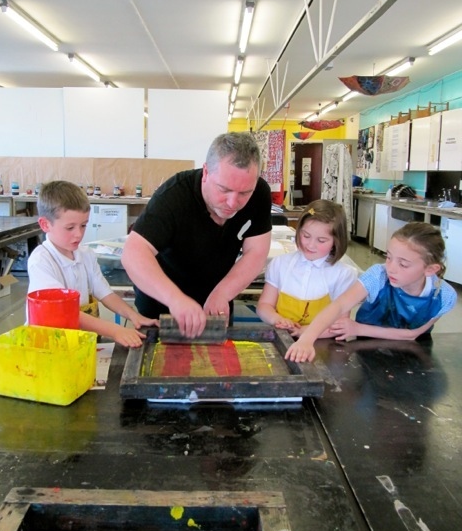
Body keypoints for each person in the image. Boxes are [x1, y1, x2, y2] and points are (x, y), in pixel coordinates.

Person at [121, 132, 272, 338]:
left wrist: (223, 293)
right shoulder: (174, 197)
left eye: (244, 193)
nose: (232, 202)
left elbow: (256, 252)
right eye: (224, 189)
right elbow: (133, 253)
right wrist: (175, 299)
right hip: (162, 304)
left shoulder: (260, 194)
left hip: (216, 303)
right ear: (206, 172)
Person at [286, 221, 457, 363]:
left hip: (411, 354)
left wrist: (358, 328)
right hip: (364, 348)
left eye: (403, 264)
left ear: (431, 269)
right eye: (388, 257)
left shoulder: (444, 297)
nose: (391, 268)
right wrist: (307, 339)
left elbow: (412, 335)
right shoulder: (378, 275)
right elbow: (339, 306)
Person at [27, 180, 158, 347]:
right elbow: (63, 312)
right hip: (50, 345)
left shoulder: (85, 255)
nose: (79, 234)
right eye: (70, 228)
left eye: (83, 225)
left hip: (80, 341)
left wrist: (134, 316)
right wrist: (115, 331)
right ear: (45, 224)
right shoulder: (41, 261)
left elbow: (104, 293)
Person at [256, 200, 358, 334]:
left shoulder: (343, 274)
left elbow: (339, 325)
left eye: (321, 240)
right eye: (306, 236)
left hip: (322, 344)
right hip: (281, 337)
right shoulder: (280, 264)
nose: (310, 245)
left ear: (336, 241)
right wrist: (277, 319)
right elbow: (264, 306)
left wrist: (304, 332)